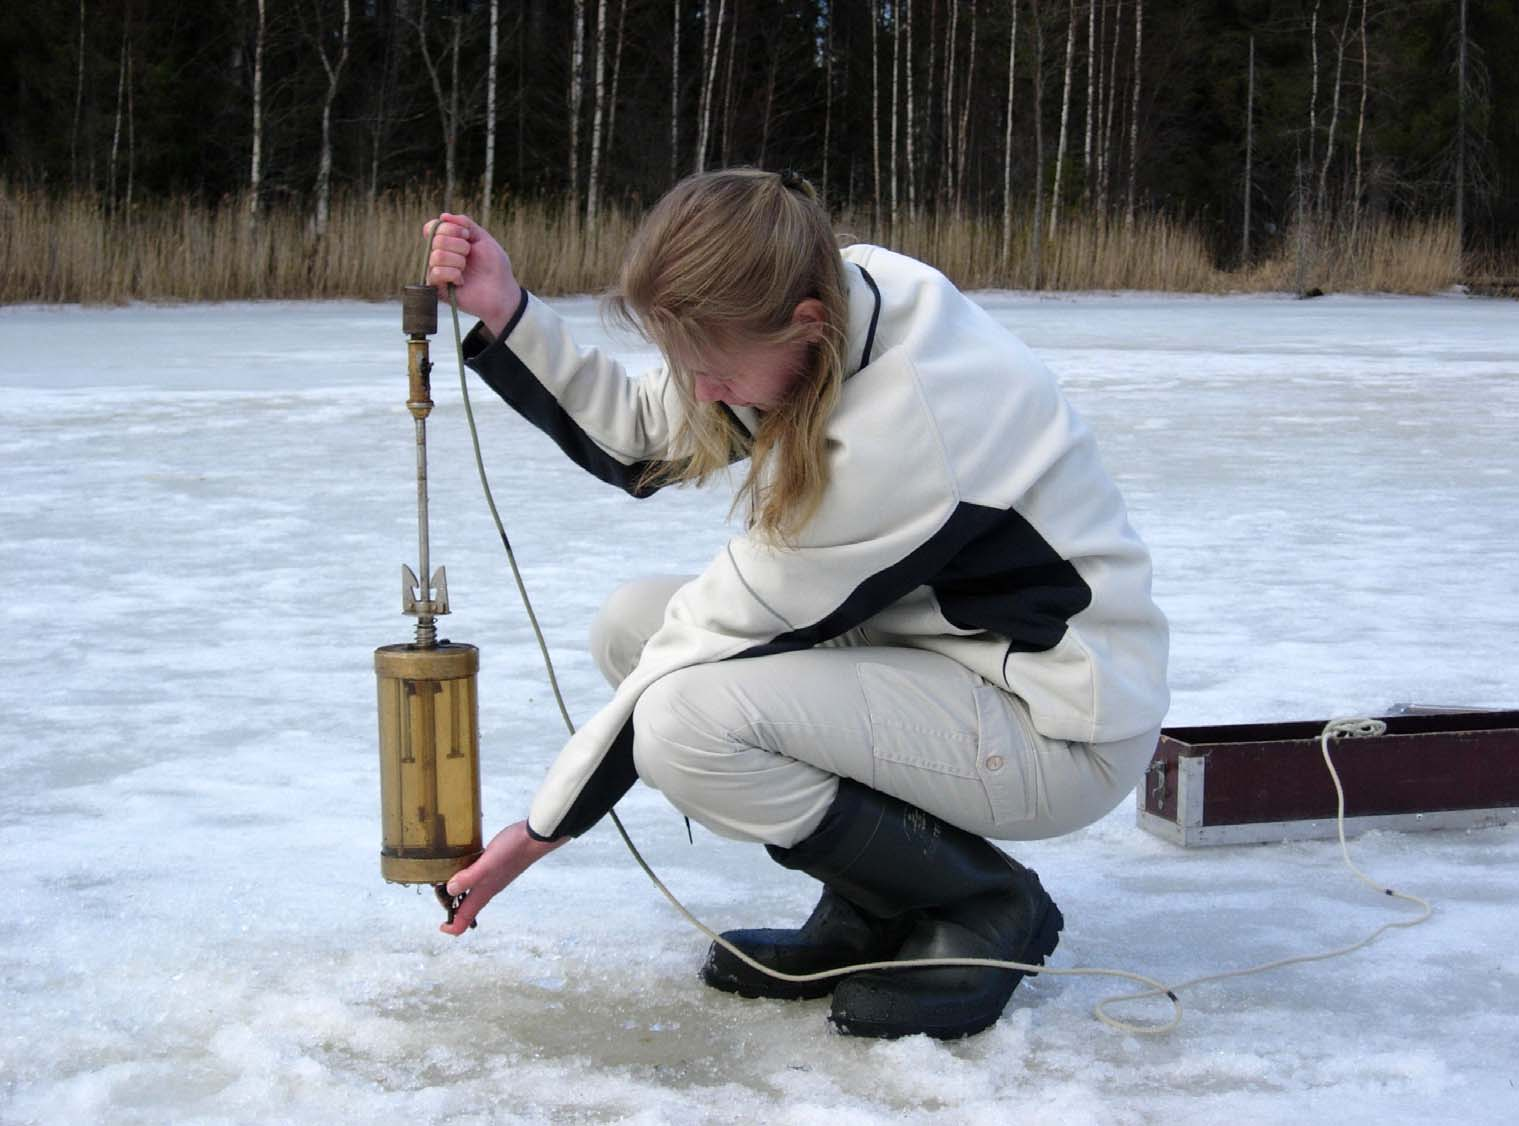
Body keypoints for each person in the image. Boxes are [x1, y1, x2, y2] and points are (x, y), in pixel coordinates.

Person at [422, 168, 1169, 1040]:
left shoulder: (915, 418)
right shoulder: (827, 297)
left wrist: (539, 830)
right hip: (940, 666)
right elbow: (641, 438)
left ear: (806, 326)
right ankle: (877, 906)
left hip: (1054, 725)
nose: (701, 393)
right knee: (632, 623)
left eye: (714, 371)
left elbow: (716, 630)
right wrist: (506, 307)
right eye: (683, 365)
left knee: (684, 722)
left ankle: (983, 908)